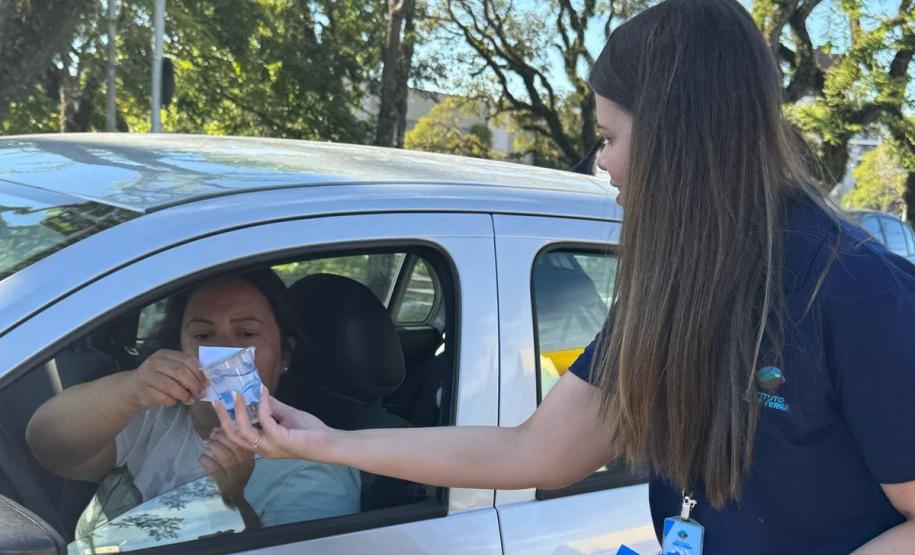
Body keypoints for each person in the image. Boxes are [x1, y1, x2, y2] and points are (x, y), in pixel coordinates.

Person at [212, 1, 915, 553]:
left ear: (677, 136)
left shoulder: (852, 291)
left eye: (608, 137)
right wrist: (327, 442)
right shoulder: (675, 287)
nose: (598, 163)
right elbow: (536, 448)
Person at [26, 269, 361, 534]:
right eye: (203, 336)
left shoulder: (316, 468)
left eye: (246, 335)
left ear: (285, 355)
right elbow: (50, 447)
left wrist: (231, 500)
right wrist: (130, 387)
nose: (222, 354)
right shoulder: (156, 416)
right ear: (180, 346)